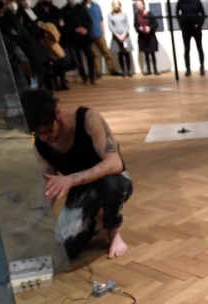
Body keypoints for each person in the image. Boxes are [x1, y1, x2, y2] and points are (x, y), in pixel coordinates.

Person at [20, 89, 133, 259]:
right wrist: (28, 227)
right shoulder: (42, 144)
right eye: (38, 134)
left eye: (47, 131)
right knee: (65, 250)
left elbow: (115, 163)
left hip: (112, 181)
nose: (43, 138)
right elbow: (48, 191)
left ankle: (113, 231)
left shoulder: (88, 118)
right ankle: (95, 217)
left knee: (110, 185)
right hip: (82, 190)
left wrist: (70, 180)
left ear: (57, 113)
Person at [81, 0, 118, 76]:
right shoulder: (81, 7)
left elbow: (101, 20)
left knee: (106, 52)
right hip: (89, 35)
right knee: (94, 55)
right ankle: (97, 71)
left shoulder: (96, 6)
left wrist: (103, 32)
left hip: (99, 33)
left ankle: (111, 69)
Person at [61, 0, 96, 84]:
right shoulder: (64, 10)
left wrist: (86, 29)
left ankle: (92, 75)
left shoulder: (81, 8)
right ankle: (84, 77)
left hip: (85, 37)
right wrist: (74, 30)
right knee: (78, 59)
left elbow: (89, 21)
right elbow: (63, 26)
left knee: (90, 56)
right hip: (74, 38)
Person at [176, 0, 206, 76]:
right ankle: (188, 69)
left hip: (196, 29)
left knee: (199, 48)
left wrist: (199, 24)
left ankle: (202, 67)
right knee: (187, 49)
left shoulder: (196, 0)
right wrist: (181, 25)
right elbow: (177, 14)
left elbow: (203, 14)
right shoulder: (180, 1)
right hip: (186, 30)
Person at [108, 0, 134, 77]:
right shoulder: (110, 15)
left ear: (120, 5)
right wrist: (118, 35)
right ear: (112, 5)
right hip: (116, 38)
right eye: (114, 4)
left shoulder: (124, 14)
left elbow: (127, 25)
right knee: (120, 54)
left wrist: (123, 35)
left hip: (125, 37)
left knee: (127, 53)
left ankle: (129, 70)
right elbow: (111, 26)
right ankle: (123, 70)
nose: (116, 5)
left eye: (117, 4)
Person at [133, 0, 159, 75]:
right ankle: (148, 69)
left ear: (143, 5)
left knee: (152, 53)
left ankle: (155, 69)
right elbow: (135, 25)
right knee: (146, 54)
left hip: (150, 37)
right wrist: (139, 28)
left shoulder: (149, 14)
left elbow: (155, 24)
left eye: (140, 4)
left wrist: (149, 28)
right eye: (137, 5)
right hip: (142, 37)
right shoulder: (136, 16)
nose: (139, 6)